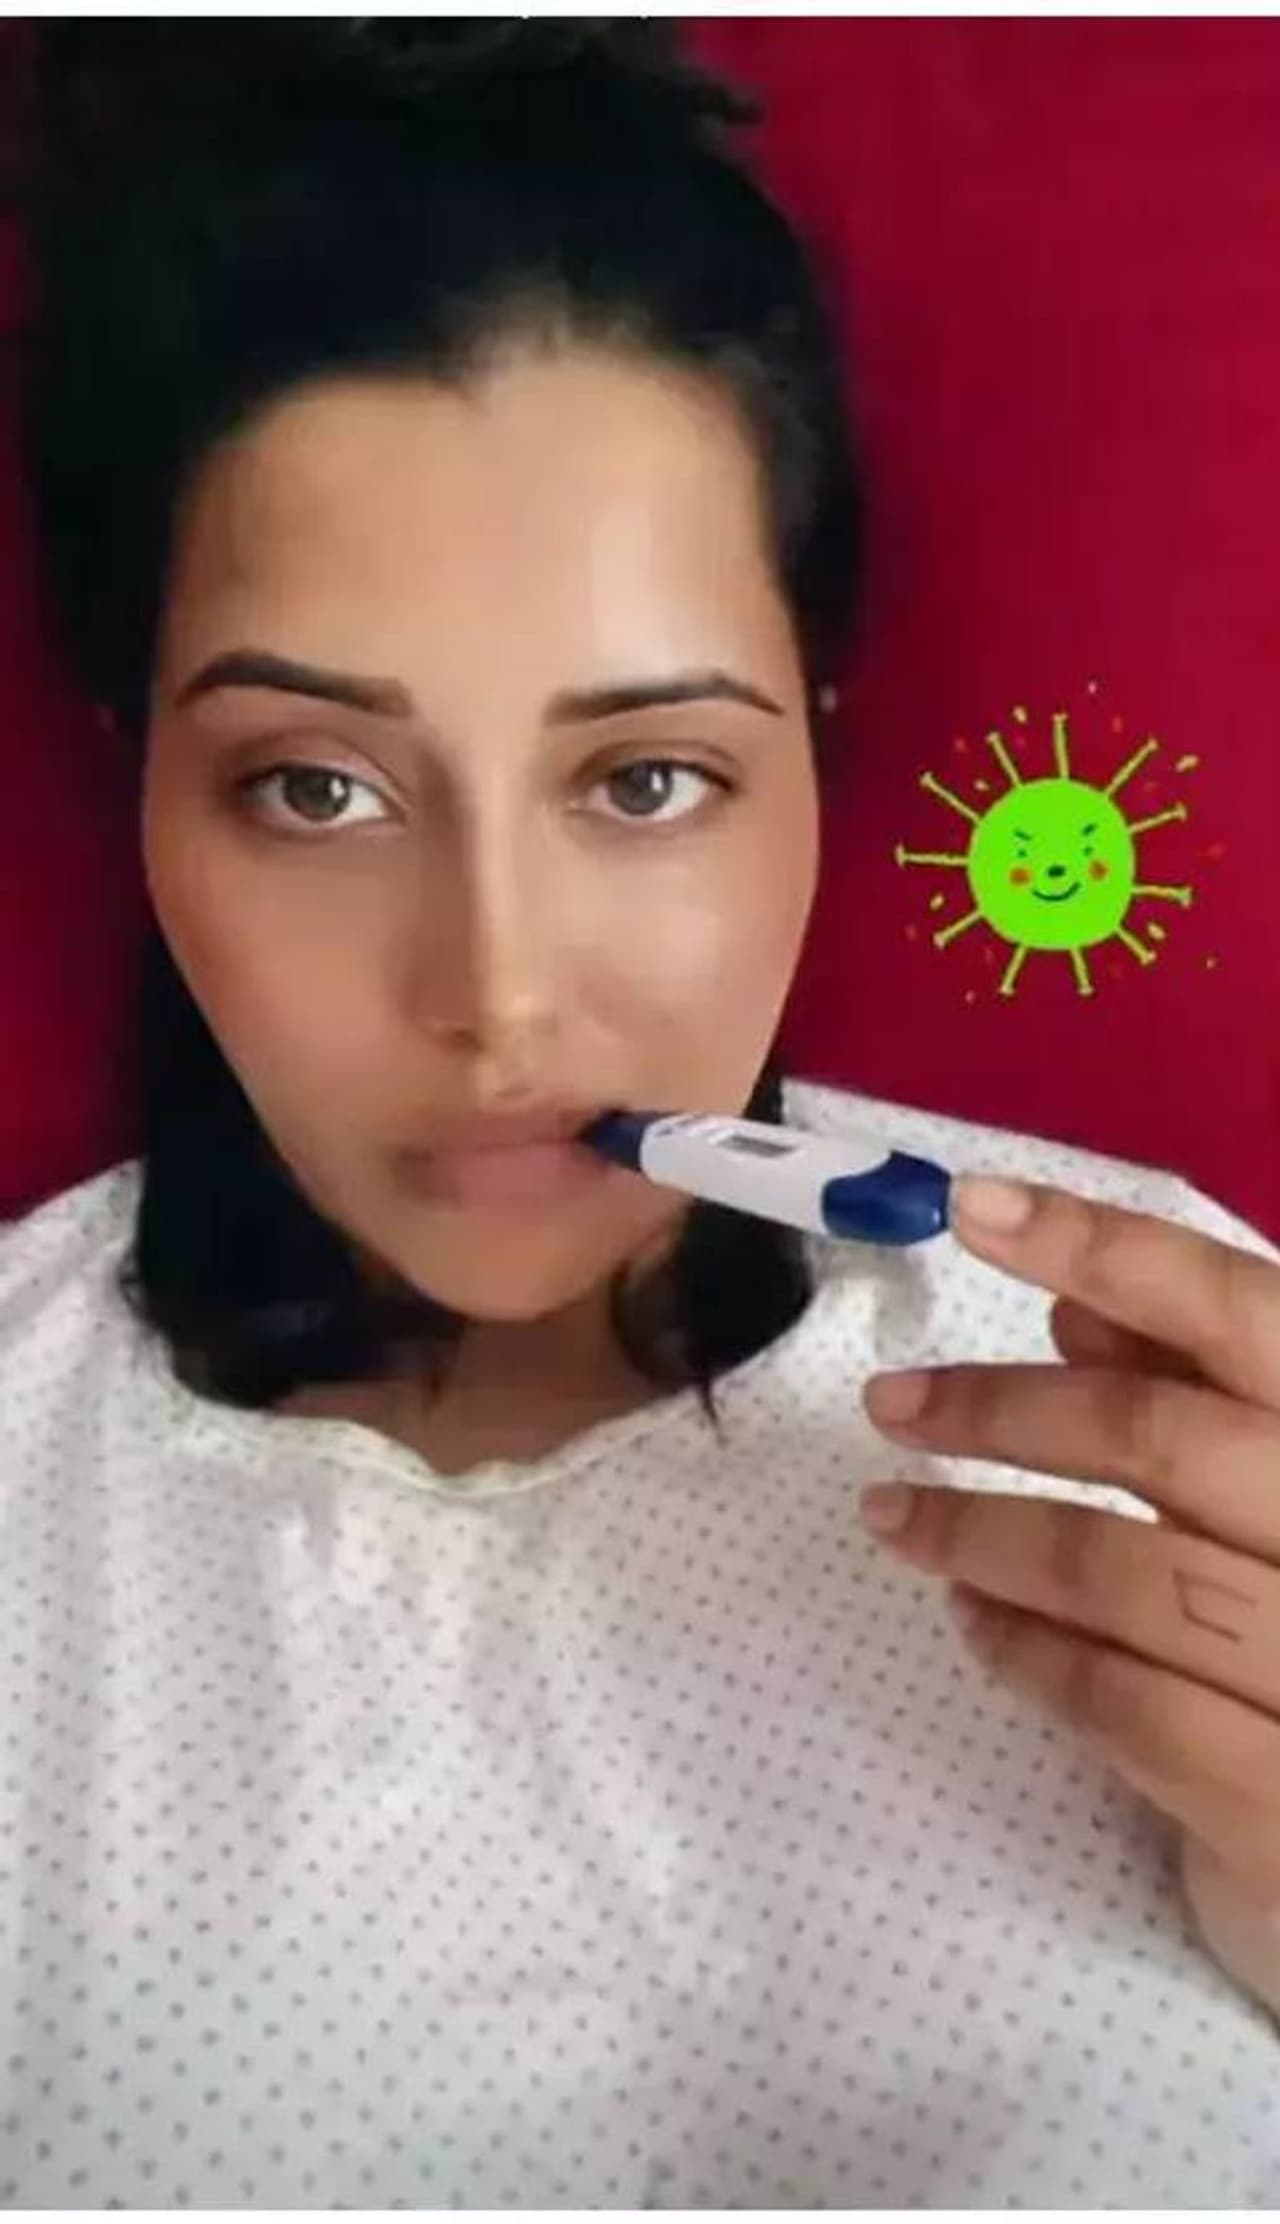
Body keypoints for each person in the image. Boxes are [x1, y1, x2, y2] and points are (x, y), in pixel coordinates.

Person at [3, 19, 1279, 2207]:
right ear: (140, 785)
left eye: (648, 776)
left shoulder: (1173, 1386)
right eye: (313, 789)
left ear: (817, 761)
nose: (498, 994)